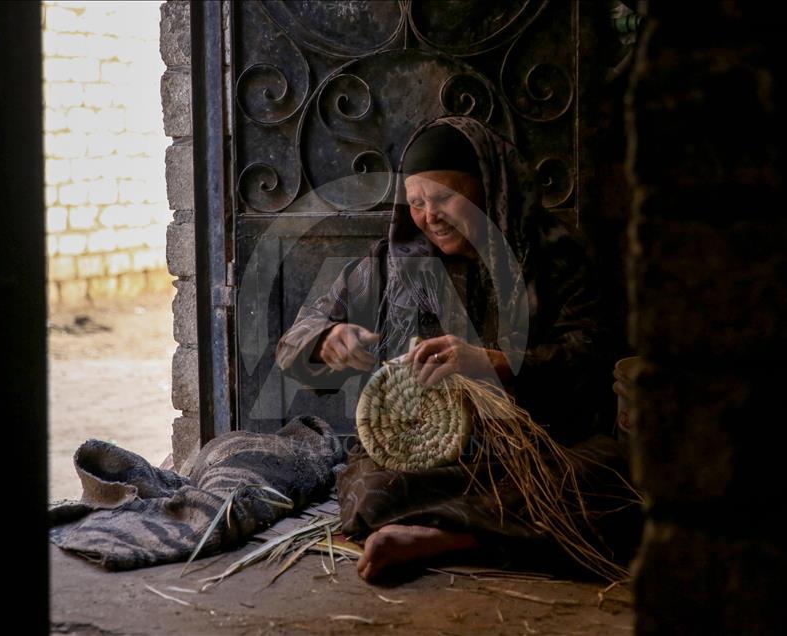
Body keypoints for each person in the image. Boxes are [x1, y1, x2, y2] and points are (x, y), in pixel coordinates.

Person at [275, 116, 642, 582]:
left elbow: (591, 351)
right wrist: (327, 340)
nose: (430, 216)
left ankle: (438, 539)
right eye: (417, 203)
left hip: (543, 448)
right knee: (371, 490)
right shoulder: (388, 267)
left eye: (445, 197)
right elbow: (293, 344)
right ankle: (493, 534)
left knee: (615, 473)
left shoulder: (555, 256)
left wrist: (500, 365)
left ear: (490, 188)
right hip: (431, 462)